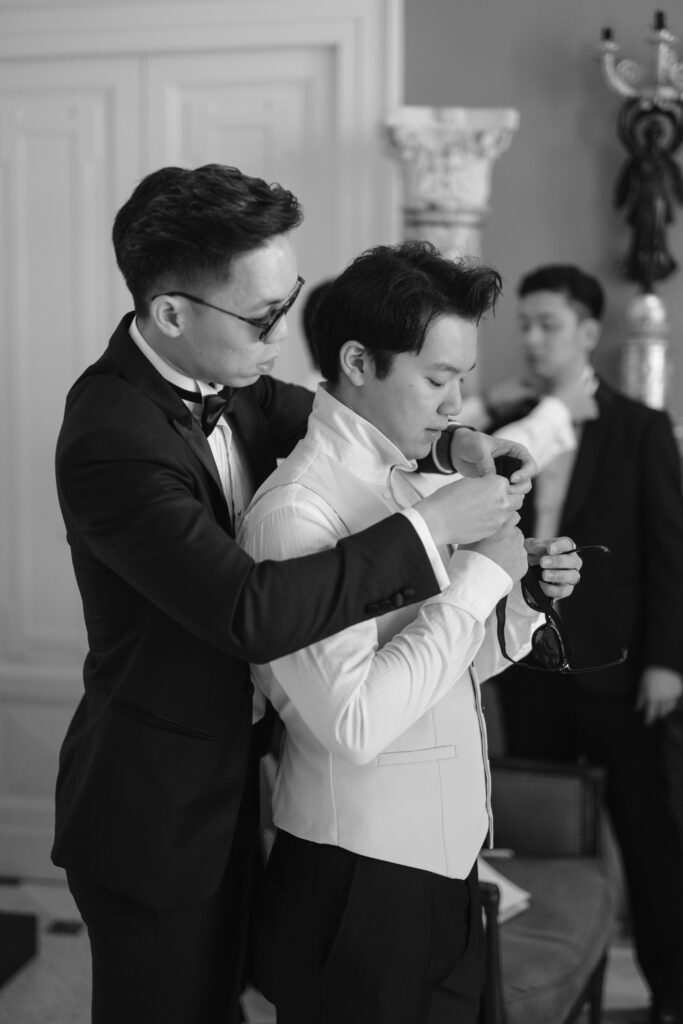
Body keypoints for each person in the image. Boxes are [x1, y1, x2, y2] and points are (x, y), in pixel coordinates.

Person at [52, 163, 535, 1024]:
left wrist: (458, 444)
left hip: (260, 781)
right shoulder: (109, 438)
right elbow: (251, 610)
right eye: (266, 316)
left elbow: (345, 415)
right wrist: (438, 534)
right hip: (157, 805)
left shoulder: (235, 380)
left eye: (291, 298)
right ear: (171, 313)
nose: (284, 336)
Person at [239, 241, 582, 1024]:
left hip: (450, 867)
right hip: (357, 886)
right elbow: (355, 721)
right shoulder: (299, 514)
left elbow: (444, 679)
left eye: (461, 377)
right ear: (357, 362)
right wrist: (476, 579)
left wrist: (515, 597)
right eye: (436, 378)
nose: (457, 404)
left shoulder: (421, 486)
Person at [487, 264, 683, 1024]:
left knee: (649, 837)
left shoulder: (638, 428)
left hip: (625, 673)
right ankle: (570, 989)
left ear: (588, 333)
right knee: (547, 839)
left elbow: (670, 553)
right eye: (525, 324)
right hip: (529, 667)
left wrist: (669, 662)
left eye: (548, 324)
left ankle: (671, 996)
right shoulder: (509, 423)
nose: (532, 339)